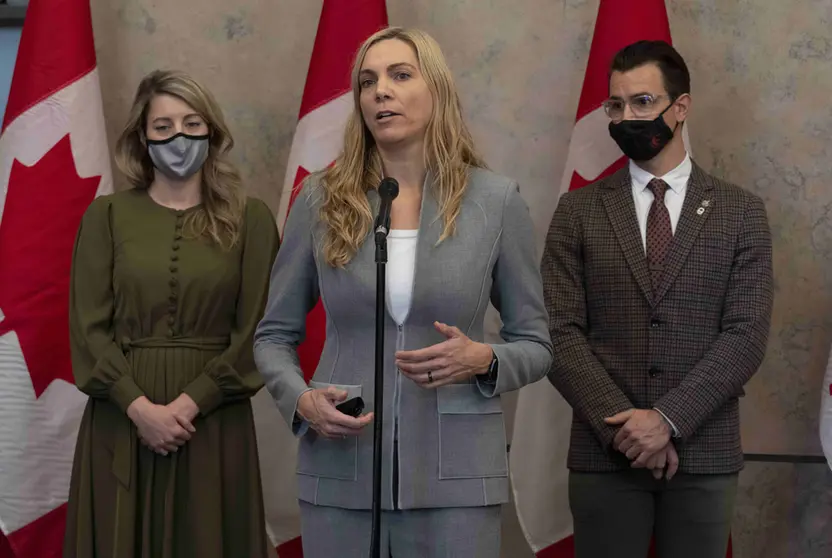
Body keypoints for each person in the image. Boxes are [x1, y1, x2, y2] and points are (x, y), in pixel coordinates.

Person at [254, 27, 552, 558]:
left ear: (435, 89)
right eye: (367, 82)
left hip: (455, 480)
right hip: (342, 471)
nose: (380, 92)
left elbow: (536, 344)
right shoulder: (319, 199)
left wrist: (484, 359)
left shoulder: (496, 201)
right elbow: (273, 334)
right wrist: (300, 399)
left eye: (399, 75)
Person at [542, 40, 774, 558]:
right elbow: (558, 331)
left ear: (680, 107)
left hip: (703, 456)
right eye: (616, 105)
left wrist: (667, 420)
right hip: (607, 455)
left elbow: (746, 335)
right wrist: (629, 428)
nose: (628, 117)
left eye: (643, 102)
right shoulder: (577, 212)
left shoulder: (741, 212)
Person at [63, 69, 278, 558]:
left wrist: (188, 405)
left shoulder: (253, 219)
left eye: (191, 123)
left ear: (212, 132)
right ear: (143, 136)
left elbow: (259, 334)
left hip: (213, 424)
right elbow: (87, 330)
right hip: (121, 419)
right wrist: (140, 409)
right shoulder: (106, 216)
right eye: (163, 127)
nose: (179, 137)